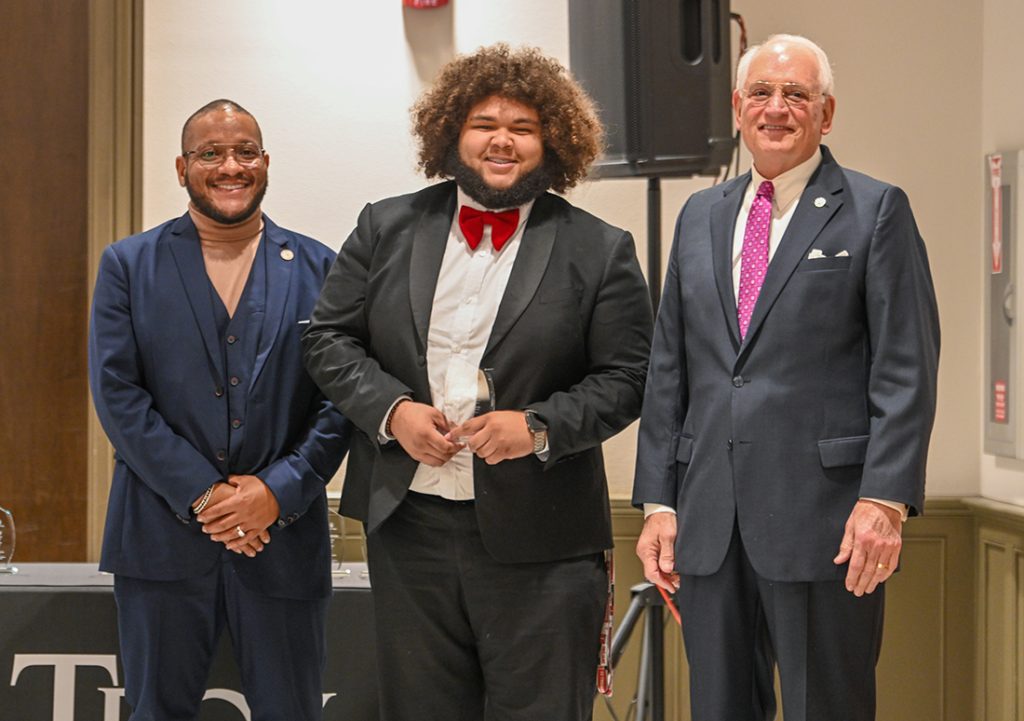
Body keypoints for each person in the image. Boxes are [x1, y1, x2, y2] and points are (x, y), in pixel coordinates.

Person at [302, 44, 653, 721]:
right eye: (484, 123)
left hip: (544, 543)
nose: (502, 140)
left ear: (551, 140)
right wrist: (392, 410)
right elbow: (326, 338)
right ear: (450, 134)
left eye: (522, 126)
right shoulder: (386, 225)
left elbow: (629, 376)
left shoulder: (600, 248)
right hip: (409, 531)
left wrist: (539, 425)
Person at [632, 34, 940, 721]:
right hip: (709, 526)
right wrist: (658, 502)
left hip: (826, 524)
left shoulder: (875, 209)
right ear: (738, 109)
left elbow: (906, 368)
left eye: (797, 94)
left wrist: (885, 500)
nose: (778, 108)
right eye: (763, 95)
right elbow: (669, 369)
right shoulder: (700, 217)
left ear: (826, 114)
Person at [88, 99, 350, 721]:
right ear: (182, 168)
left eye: (244, 152)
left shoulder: (323, 267)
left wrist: (276, 492)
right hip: (159, 544)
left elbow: (342, 401)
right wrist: (207, 496)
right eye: (211, 153)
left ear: (265, 163)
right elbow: (119, 396)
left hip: (281, 542)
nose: (230, 166)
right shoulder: (127, 266)